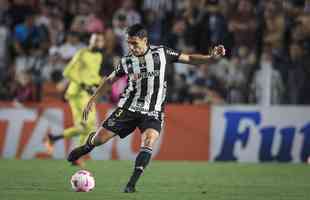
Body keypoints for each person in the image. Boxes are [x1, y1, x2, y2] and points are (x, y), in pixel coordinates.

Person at [67, 24, 226, 192]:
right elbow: (109, 81)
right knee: (99, 140)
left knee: (148, 141)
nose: (131, 47)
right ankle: (86, 147)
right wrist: (93, 99)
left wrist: (211, 58)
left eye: (135, 43)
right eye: (129, 43)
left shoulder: (162, 53)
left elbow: (190, 59)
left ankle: (131, 185)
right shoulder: (127, 61)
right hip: (128, 108)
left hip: (153, 111)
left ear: (145, 40)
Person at [44, 33, 105, 166]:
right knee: (84, 126)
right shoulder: (82, 53)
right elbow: (67, 71)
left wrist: (100, 81)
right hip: (77, 93)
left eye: (100, 40)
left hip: (88, 95)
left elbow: (92, 75)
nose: (98, 42)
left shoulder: (99, 56)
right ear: (91, 41)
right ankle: (59, 143)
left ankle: (66, 148)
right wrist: (83, 84)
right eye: (96, 40)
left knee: (91, 128)